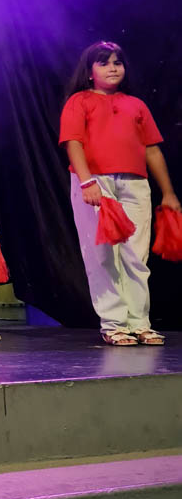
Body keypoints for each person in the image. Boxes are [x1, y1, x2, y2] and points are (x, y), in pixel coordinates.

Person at [59, 41, 179, 346]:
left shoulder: (136, 104)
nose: (113, 68)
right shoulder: (79, 101)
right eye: (104, 63)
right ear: (89, 72)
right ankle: (114, 324)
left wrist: (168, 192)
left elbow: (152, 150)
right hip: (96, 182)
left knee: (136, 256)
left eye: (117, 62)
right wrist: (87, 182)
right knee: (102, 255)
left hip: (134, 183)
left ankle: (139, 323)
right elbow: (73, 143)